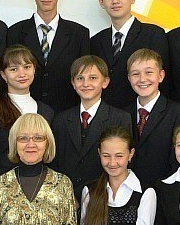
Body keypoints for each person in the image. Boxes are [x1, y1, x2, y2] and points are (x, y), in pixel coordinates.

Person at [6, 0, 91, 112]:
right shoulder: (15, 32)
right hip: (23, 114)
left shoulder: (79, 34)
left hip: (66, 114)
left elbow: (84, 77)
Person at [50, 55, 130, 201]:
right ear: (73, 83)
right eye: (80, 78)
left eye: (93, 78)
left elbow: (123, 162)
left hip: (103, 197)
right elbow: (55, 162)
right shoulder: (60, 120)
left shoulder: (120, 118)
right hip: (65, 197)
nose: (86, 84)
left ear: (105, 82)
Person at [89, 0, 169, 109]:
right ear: (101, 2)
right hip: (106, 114)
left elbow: (164, 81)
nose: (115, 1)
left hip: (141, 112)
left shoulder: (153, 34)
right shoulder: (95, 41)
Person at [0, 46, 55, 186]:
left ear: (34, 70)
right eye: (14, 69)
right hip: (4, 189)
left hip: (41, 188)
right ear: (3, 75)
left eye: (27, 67)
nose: (22, 74)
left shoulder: (46, 112)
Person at [125, 48, 180, 186]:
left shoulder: (178, 113)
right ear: (129, 78)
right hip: (128, 190)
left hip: (163, 190)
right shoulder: (123, 114)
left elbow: (178, 160)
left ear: (161, 76)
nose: (142, 79)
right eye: (135, 74)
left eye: (149, 72)